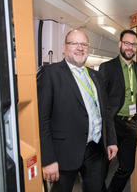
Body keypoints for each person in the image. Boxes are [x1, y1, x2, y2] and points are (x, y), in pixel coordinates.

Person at [37, 30, 118, 192]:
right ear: (64, 47)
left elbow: (105, 110)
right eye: (74, 43)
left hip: (95, 149)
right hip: (64, 152)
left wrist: (111, 140)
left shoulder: (95, 76)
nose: (80, 48)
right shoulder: (50, 74)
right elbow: (41, 120)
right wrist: (48, 160)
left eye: (84, 44)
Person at [99, 29, 137, 192]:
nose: (130, 47)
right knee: (103, 168)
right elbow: (101, 100)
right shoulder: (107, 67)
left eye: (133, 44)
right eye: (127, 43)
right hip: (113, 123)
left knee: (127, 167)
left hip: (131, 124)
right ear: (120, 44)